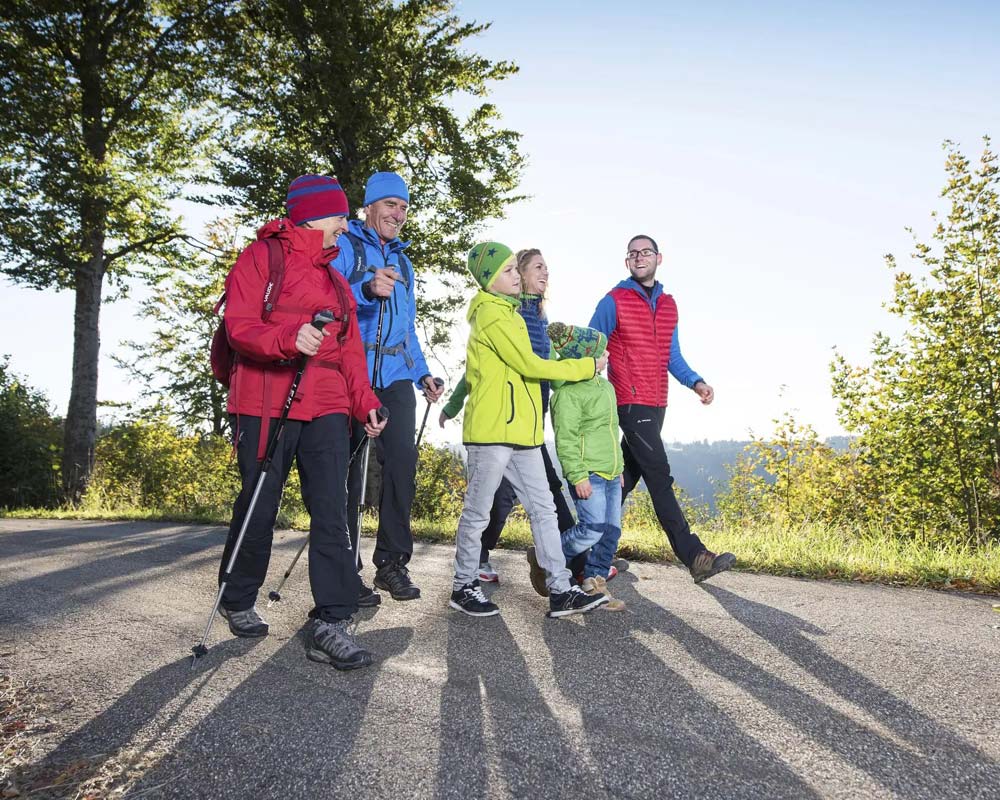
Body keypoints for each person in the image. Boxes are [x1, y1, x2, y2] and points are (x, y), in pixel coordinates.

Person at [218, 174, 387, 670]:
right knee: (260, 504)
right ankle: (237, 596)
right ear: (315, 214)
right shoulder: (260, 258)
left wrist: (365, 403)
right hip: (265, 400)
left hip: (328, 405)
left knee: (333, 511)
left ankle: (331, 621)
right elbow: (240, 327)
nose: (345, 225)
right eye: (340, 215)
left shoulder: (336, 281)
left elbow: (351, 353)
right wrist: (289, 338)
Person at [449, 241, 609, 619]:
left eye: (512, 268)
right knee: (479, 512)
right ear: (489, 280)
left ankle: (560, 589)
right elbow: (530, 364)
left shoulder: (513, 315)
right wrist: (586, 367)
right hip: (490, 432)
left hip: (523, 433)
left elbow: (538, 362)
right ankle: (463, 585)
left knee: (545, 510)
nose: (514, 276)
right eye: (506, 271)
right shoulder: (491, 314)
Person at [589, 234, 736, 584]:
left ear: (659, 258)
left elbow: (673, 356)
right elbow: (591, 342)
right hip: (629, 399)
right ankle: (694, 555)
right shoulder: (614, 300)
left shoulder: (668, 305)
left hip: (658, 403)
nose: (640, 257)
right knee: (660, 477)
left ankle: (587, 553)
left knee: (622, 482)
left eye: (646, 252)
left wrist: (696, 382)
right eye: (633, 254)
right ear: (627, 262)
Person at [329, 171, 444, 606]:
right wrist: (365, 288)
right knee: (350, 473)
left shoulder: (405, 263)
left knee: (402, 464)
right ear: (370, 207)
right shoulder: (345, 245)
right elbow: (330, 300)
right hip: (351, 372)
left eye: (404, 208)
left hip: (395, 376)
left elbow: (407, 329)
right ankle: (346, 568)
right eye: (391, 205)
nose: (398, 214)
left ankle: (392, 563)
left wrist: (423, 374)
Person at [438, 248, 574, 583]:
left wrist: (582, 387)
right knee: (494, 503)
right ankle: (466, 580)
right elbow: (491, 369)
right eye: (535, 267)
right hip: (501, 425)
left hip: (528, 421)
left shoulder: (529, 315)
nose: (545, 273)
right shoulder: (500, 314)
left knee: (541, 502)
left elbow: (549, 369)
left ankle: (563, 582)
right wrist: (583, 369)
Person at [546, 322, 626, 611]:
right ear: (582, 360)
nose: (606, 355)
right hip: (587, 473)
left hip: (611, 471)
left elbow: (611, 430)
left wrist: (619, 467)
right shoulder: (566, 395)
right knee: (591, 530)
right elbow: (565, 440)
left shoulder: (605, 387)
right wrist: (577, 476)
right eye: (599, 352)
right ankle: (548, 559)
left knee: (611, 531)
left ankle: (594, 582)